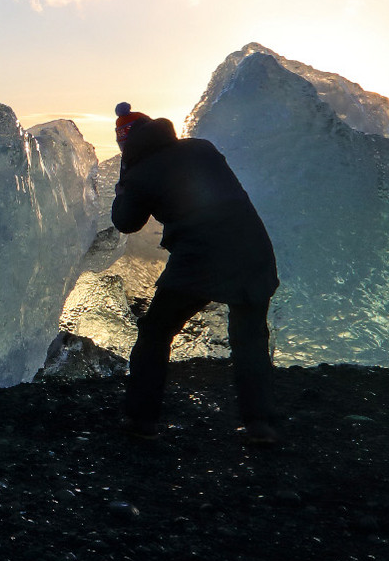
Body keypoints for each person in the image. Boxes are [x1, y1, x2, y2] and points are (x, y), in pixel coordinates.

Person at [109, 102, 282, 445]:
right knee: (249, 337)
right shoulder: (202, 148)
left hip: (201, 257)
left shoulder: (140, 174)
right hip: (254, 250)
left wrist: (123, 185)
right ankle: (259, 424)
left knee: (156, 331)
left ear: (126, 145)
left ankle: (141, 420)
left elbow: (126, 223)